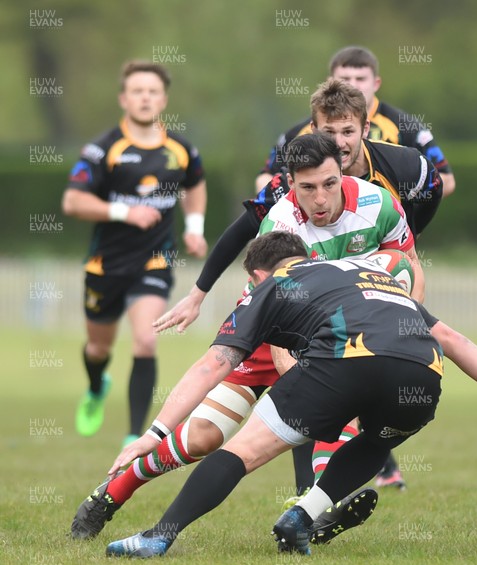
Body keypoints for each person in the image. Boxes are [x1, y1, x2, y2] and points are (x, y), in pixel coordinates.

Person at [89, 231, 477, 558]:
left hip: (344, 363)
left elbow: (215, 364)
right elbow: (455, 340)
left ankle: (158, 536)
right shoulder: (373, 277)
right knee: (377, 440)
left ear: (260, 273)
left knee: (243, 451)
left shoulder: (270, 286)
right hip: (422, 377)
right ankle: (304, 515)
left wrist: (157, 430)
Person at [70, 131, 427, 541]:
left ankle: (312, 510)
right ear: (289, 184)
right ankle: (110, 494)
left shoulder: (378, 204)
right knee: (202, 437)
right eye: (308, 188)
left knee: (338, 410)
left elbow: (410, 266)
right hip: (266, 335)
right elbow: (277, 322)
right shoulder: (281, 224)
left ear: (342, 170)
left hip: (333, 333)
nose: (322, 200)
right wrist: (299, 372)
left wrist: (402, 327)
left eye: (329, 184)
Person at [61, 60, 208, 447]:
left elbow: (195, 184)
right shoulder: (103, 149)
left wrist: (194, 228)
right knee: (98, 348)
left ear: (163, 99)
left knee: (145, 340)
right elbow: (73, 201)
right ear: (124, 98)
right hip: (105, 264)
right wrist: (124, 211)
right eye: (137, 91)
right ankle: (96, 388)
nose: (145, 98)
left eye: (153, 91)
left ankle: (133, 436)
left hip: (154, 260)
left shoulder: (181, 149)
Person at [255, 45, 455, 198]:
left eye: (360, 78)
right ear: (330, 81)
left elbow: (445, 180)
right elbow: (265, 179)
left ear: (376, 83)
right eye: (345, 78)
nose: (352, 85)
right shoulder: (300, 132)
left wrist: (400, 212)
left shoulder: (405, 126)